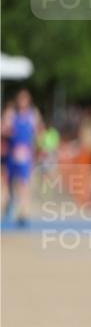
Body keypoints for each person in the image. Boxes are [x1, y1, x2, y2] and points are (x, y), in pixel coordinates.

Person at [2, 89, 44, 225]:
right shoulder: (11, 113)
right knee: (7, 183)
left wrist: (38, 149)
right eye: (20, 99)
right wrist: (7, 130)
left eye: (25, 99)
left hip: (26, 155)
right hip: (11, 154)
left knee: (24, 184)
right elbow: (4, 129)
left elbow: (40, 132)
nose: (22, 102)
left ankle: (23, 213)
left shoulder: (33, 115)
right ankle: (9, 201)